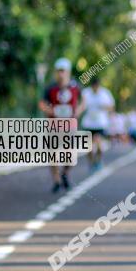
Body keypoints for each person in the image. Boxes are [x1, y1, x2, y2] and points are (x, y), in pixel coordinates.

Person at [38, 58, 84, 193]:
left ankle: (65, 173)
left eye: (63, 71)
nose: (60, 74)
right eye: (58, 71)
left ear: (68, 72)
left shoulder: (75, 87)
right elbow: (42, 103)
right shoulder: (50, 88)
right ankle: (57, 180)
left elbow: (83, 101)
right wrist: (50, 110)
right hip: (54, 126)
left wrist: (78, 111)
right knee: (53, 154)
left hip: (70, 125)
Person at [80, 77, 114, 172]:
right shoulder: (86, 93)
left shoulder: (105, 93)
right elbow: (82, 105)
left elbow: (111, 107)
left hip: (100, 123)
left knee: (99, 145)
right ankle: (91, 163)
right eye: (94, 87)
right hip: (88, 123)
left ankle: (98, 161)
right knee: (89, 147)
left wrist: (105, 107)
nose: (95, 88)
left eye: (97, 86)